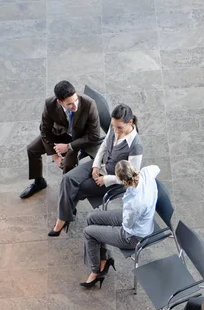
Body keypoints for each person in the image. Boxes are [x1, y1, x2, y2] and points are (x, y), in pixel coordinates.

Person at [48, 104, 143, 236]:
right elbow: (104, 146)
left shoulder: (136, 145)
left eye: (119, 128)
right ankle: (64, 217)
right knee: (67, 179)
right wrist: (96, 165)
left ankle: (63, 218)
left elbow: (132, 178)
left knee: (77, 188)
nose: (115, 130)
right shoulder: (114, 125)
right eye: (114, 126)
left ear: (130, 122)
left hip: (113, 179)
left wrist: (106, 179)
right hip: (101, 164)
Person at [80, 160, 160, 289]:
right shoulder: (146, 173)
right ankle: (104, 259)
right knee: (91, 218)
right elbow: (156, 167)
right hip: (136, 221)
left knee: (88, 232)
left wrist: (110, 229)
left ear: (122, 181)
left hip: (133, 235)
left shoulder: (134, 203)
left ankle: (96, 272)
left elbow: (127, 224)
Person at [20, 81, 100, 199]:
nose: (75, 106)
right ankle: (39, 182)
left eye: (76, 100)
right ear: (59, 102)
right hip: (60, 134)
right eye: (70, 104)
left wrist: (68, 146)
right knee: (32, 149)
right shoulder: (50, 104)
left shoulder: (89, 104)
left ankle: (68, 197)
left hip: (79, 139)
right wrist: (54, 155)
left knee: (67, 164)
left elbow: (94, 135)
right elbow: (44, 130)